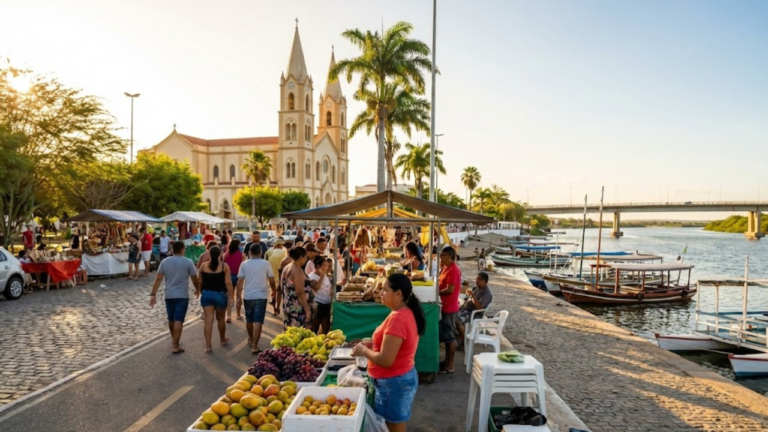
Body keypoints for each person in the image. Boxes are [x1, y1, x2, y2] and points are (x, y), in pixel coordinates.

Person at [352, 274, 424, 431]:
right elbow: (396, 344)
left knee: (392, 427)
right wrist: (374, 344)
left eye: (384, 290)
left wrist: (363, 351)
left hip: (393, 384)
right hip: (398, 380)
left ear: (398, 293)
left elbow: (386, 360)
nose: (380, 293)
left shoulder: (398, 318)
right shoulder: (403, 311)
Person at [149, 241, 199, 354]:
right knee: (179, 320)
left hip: (169, 294)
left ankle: (174, 339)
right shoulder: (188, 262)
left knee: (171, 319)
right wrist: (197, 289)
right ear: (182, 249)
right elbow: (194, 278)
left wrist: (153, 293)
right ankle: (175, 345)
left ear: (172, 249)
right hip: (182, 295)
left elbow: (158, 279)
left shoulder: (165, 262)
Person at [237, 242, 276, 354]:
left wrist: (238, 296)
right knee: (258, 321)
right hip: (261, 296)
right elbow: (271, 279)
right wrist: (273, 291)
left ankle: (251, 339)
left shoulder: (244, 264)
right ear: (260, 252)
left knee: (249, 320)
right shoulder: (265, 263)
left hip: (248, 296)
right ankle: (255, 345)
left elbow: (240, 282)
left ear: (250, 252)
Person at [196, 246, 234, 353]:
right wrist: (231, 296)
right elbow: (228, 283)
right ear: (220, 254)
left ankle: (208, 346)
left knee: (208, 320)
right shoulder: (224, 266)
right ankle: (222, 339)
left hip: (207, 294)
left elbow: (199, 281)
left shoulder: (203, 266)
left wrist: (199, 292)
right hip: (220, 295)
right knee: (221, 319)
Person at [438, 246, 461, 374]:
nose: (441, 257)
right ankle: (446, 362)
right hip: (445, 305)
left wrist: (438, 292)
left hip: (450, 307)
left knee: (450, 335)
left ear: (449, 256)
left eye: (443, 255)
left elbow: (450, 289)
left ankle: (450, 365)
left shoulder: (453, 269)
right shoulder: (445, 268)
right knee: (446, 335)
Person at [456, 272, 493, 348]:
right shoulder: (477, 288)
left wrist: (472, 296)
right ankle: (458, 338)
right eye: (477, 279)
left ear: (485, 281)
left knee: (457, 321)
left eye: (480, 279)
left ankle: (464, 343)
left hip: (474, 314)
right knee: (451, 316)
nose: (477, 281)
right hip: (466, 310)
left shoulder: (486, 293)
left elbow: (480, 308)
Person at [280, 246, 312, 329]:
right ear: (301, 257)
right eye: (305, 257)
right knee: (297, 333)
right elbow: (300, 292)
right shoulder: (297, 270)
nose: (306, 259)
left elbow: (282, 285)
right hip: (297, 306)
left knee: (290, 333)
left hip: (289, 303)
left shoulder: (287, 267)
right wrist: (307, 310)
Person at [308, 256, 332, 334]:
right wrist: (321, 276)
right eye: (324, 265)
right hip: (318, 304)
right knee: (315, 328)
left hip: (326, 304)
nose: (327, 268)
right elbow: (316, 288)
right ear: (318, 266)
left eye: (327, 265)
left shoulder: (325, 275)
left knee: (326, 328)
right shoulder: (312, 276)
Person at [223, 239, 244, 322]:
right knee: (239, 295)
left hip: (228, 276)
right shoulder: (241, 255)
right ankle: (238, 315)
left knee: (229, 296)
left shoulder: (226, 254)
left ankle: (228, 316)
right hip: (238, 276)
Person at [266, 238, 288, 315]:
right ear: (279, 244)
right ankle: (278, 307)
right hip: (281, 274)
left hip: (271, 275)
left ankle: (274, 308)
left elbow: (266, 263)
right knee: (279, 293)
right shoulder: (284, 252)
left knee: (273, 291)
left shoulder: (268, 252)